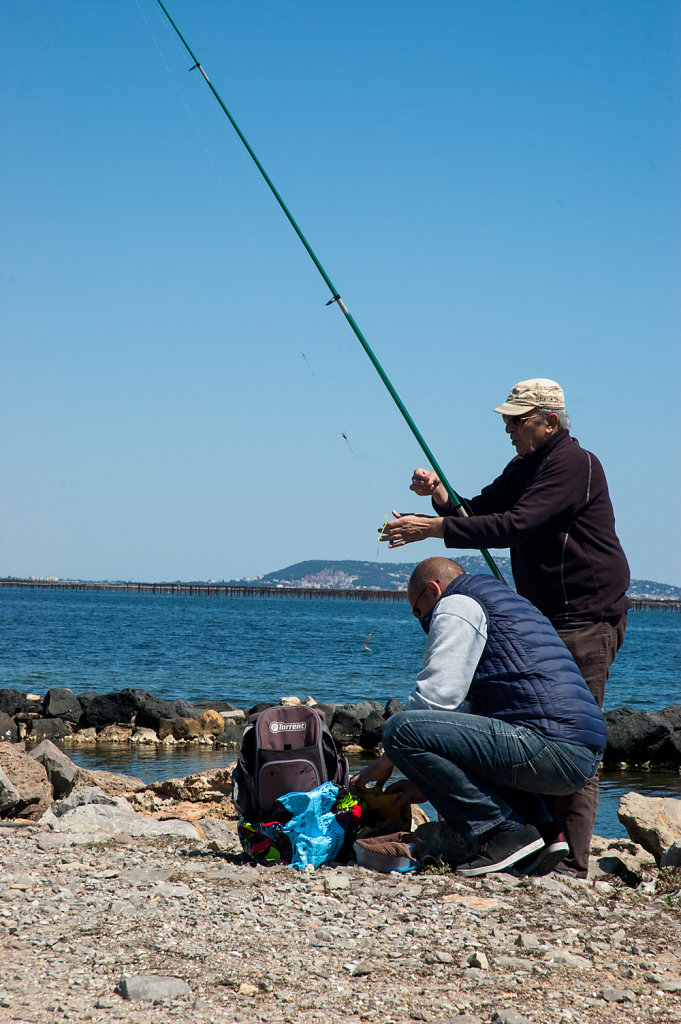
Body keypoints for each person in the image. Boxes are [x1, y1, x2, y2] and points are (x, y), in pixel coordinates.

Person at [379, 378, 629, 877]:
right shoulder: (526, 465)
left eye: (517, 420)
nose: (508, 429)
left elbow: (518, 525)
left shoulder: (574, 463)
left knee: (569, 730)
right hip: (544, 616)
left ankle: (572, 863)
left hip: (583, 617)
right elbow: (482, 511)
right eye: (506, 420)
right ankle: (536, 837)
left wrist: (434, 529)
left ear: (549, 422)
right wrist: (442, 498)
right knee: (518, 718)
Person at [352, 557, 608, 877]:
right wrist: (429, 781)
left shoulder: (458, 603)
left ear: (433, 590)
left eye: (418, 611)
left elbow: (436, 696)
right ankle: (542, 834)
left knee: (400, 729)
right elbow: (469, 727)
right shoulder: (509, 603)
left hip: (548, 745)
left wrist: (387, 761)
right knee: (478, 732)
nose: (421, 620)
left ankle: (505, 834)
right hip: (581, 753)